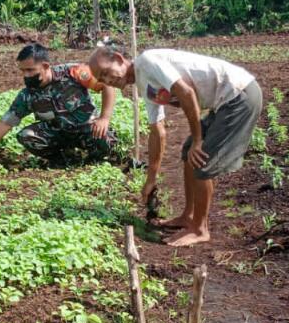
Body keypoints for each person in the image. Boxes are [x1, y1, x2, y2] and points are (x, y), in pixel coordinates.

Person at [88, 44, 262, 247]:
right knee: (189, 152)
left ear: (119, 58)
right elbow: (157, 130)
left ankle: (200, 229)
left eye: (107, 72)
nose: (108, 80)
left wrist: (198, 141)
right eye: (102, 79)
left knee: (201, 160)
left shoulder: (147, 61)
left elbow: (186, 93)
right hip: (224, 101)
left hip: (239, 96)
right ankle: (188, 217)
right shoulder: (144, 84)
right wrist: (150, 179)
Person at [0, 43, 122, 168]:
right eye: (23, 71)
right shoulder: (27, 95)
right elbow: (6, 122)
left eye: (30, 70)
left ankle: (93, 163)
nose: (26, 75)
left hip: (85, 127)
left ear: (45, 66)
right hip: (57, 134)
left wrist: (104, 118)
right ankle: (64, 160)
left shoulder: (74, 72)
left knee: (106, 140)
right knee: (26, 136)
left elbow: (107, 85)